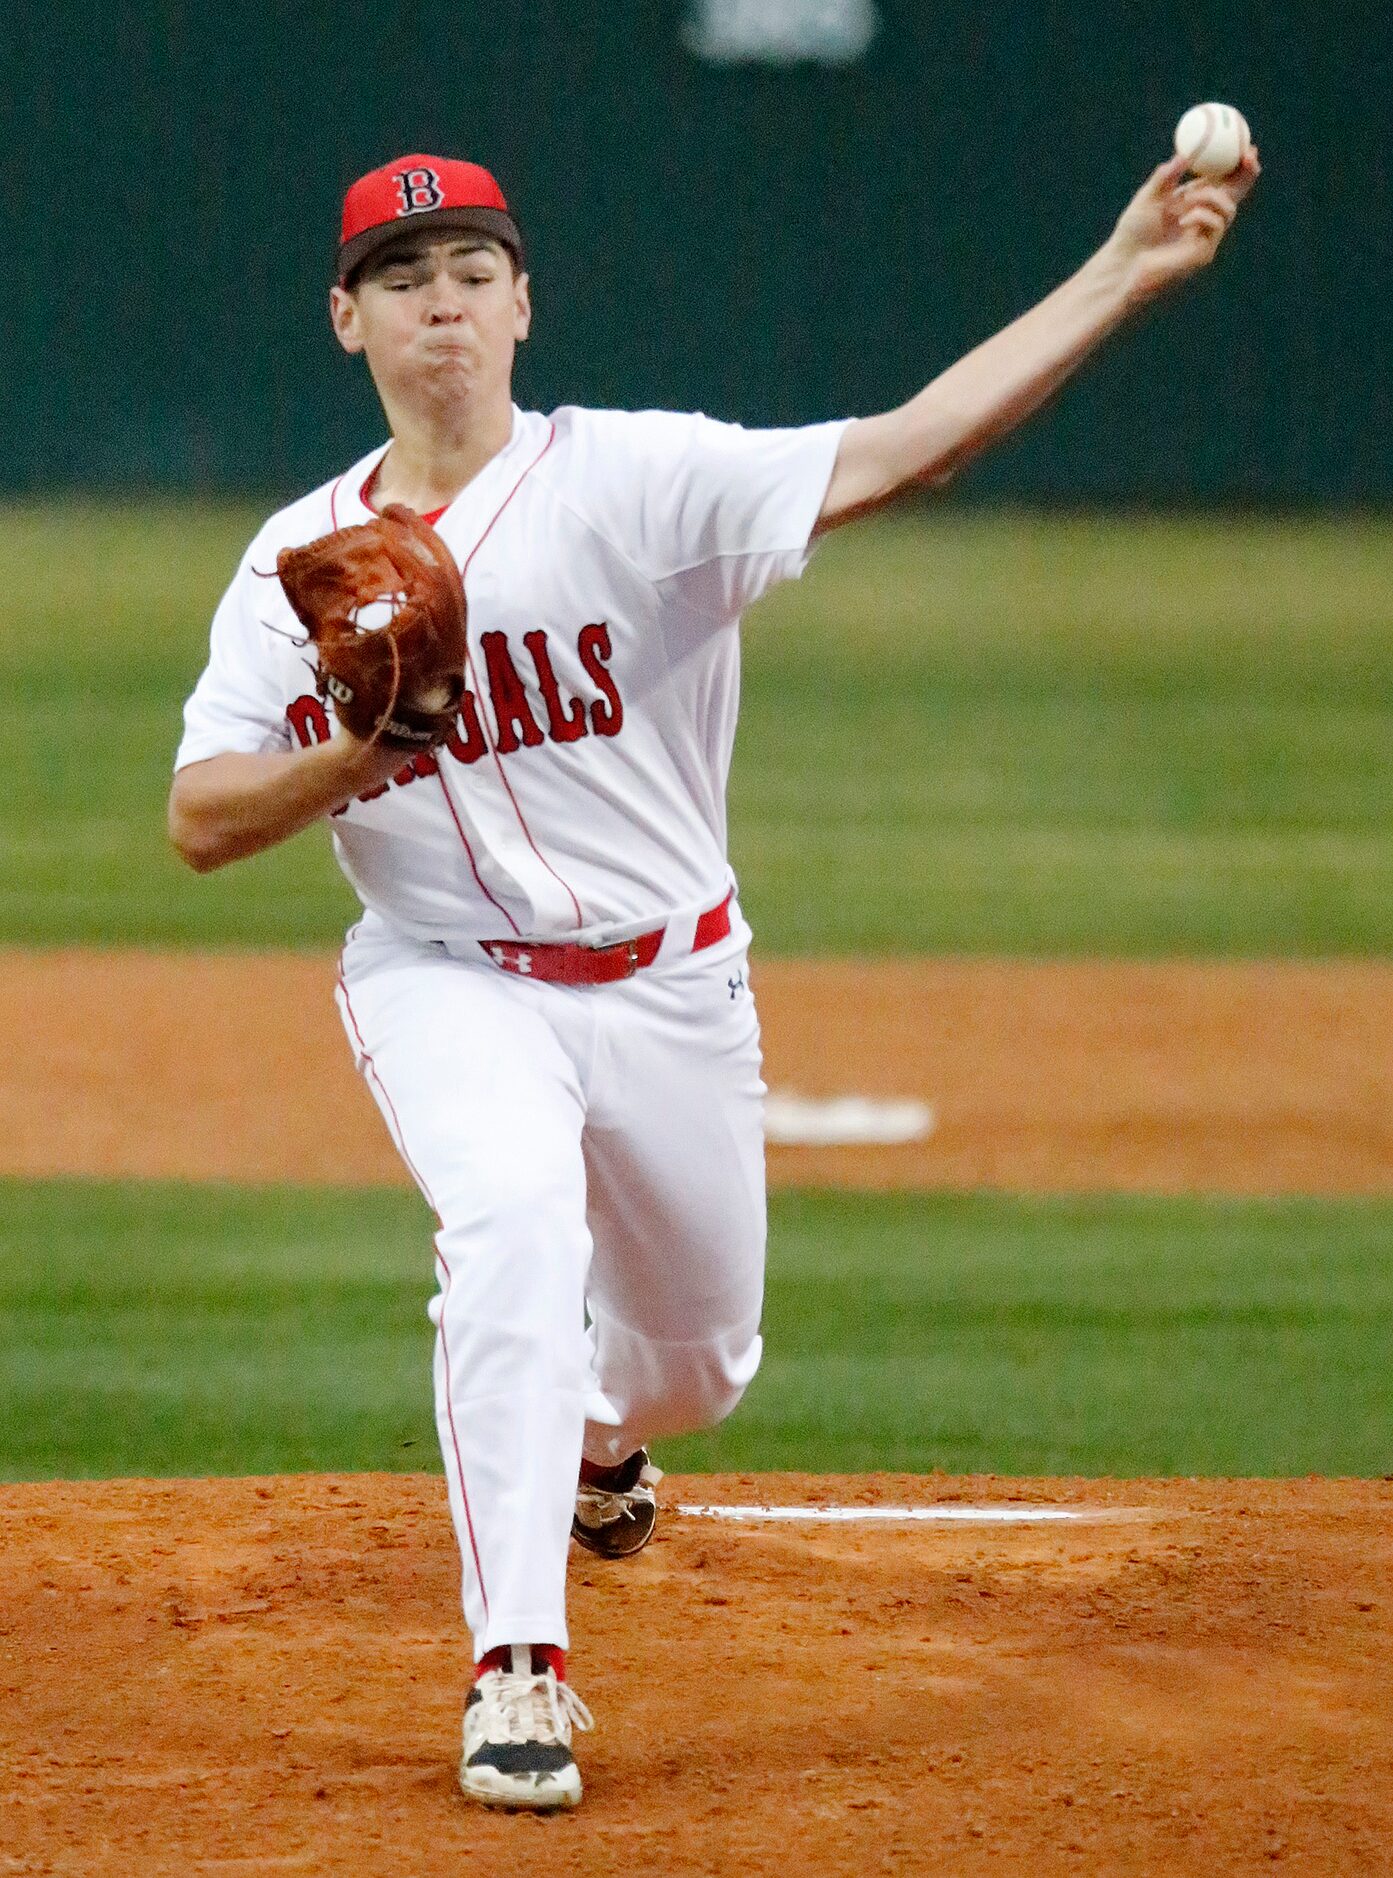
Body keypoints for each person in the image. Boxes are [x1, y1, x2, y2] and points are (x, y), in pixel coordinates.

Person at [168, 144, 1259, 1810]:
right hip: (443, 975)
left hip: (670, 985)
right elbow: (195, 815)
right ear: (345, 320)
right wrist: (361, 751)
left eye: (469, 273)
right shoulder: (294, 561)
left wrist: (1121, 267)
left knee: (698, 1359)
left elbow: (905, 451)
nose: (439, 306)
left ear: (523, 304)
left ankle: (608, 1439)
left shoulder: (636, 482)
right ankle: (514, 1665)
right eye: (401, 281)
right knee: (514, 1228)